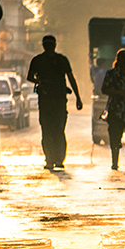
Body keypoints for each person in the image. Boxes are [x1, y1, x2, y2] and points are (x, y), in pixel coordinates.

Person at [27, 34, 83, 170]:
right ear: (44, 46)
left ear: (54, 45)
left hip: (59, 100)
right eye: (47, 45)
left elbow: (71, 78)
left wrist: (78, 97)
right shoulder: (38, 60)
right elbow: (29, 77)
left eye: (51, 45)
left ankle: (58, 159)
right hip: (46, 99)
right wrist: (40, 82)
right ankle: (50, 159)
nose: (49, 47)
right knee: (47, 130)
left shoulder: (61, 60)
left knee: (58, 130)